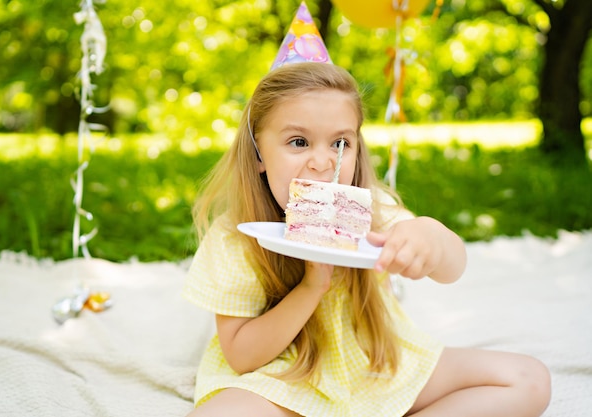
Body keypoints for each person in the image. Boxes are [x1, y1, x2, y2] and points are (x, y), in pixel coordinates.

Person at [182, 61, 551, 417]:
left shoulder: (375, 213)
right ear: (259, 152)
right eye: (298, 142)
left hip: (377, 365)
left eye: (341, 144)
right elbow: (241, 356)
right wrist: (313, 285)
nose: (324, 162)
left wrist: (429, 235)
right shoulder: (237, 238)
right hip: (281, 378)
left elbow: (452, 269)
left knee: (528, 380)